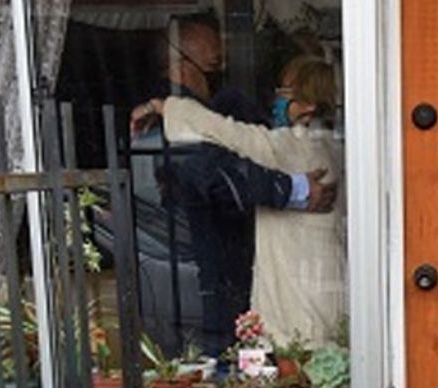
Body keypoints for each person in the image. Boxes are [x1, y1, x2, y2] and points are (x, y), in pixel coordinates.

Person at [130, 14, 337, 356]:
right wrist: (290, 189)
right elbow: (217, 172)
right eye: (215, 63)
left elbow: (237, 139)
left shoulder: (293, 144)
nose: (223, 72)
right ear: (181, 66)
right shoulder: (333, 146)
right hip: (205, 272)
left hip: (261, 283)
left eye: (284, 94)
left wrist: (164, 106)